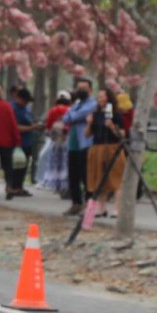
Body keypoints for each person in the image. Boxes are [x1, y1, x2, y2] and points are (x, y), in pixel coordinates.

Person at [84, 88, 125, 218]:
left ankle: (117, 209)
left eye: (102, 96)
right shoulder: (95, 114)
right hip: (97, 148)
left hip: (113, 147)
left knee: (116, 178)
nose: (99, 99)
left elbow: (122, 134)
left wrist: (112, 126)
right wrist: (89, 123)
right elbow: (87, 134)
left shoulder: (116, 114)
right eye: (99, 97)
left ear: (109, 98)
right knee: (99, 179)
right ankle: (102, 209)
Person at [63, 77, 98, 215]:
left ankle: (89, 206)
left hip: (86, 144)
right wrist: (73, 115)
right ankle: (76, 203)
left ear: (90, 89)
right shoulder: (77, 103)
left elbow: (74, 116)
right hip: (73, 144)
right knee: (73, 176)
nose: (80, 91)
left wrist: (73, 115)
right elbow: (66, 118)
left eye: (84, 88)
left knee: (86, 176)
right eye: (79, 88)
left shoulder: (93, 104)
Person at [10, 87, 41, 197]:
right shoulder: (13, 109)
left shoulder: (26, 109)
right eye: (25, 100)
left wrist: (36, 125)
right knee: (16, 165)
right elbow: (15, 127)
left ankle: (19, 186)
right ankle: (13, 186)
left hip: (27, 141)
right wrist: (32, 128)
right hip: (17, 142)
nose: (27, 103)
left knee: (24, 165)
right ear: (19, 98)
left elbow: (30, 120)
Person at [39, 91, 72, 194]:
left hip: (56, 140)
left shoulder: (53, 110)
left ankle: (56, 185)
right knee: (66, 163)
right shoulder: (70, 110)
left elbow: (48, 125)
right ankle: (66, 184)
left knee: (56, 162)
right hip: (67, 139)